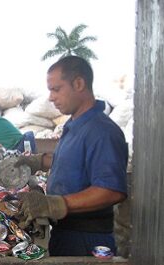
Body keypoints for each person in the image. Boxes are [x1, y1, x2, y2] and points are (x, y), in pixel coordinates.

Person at [16, 56, 128, 256]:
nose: (51, 97)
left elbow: (111, 190)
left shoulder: (101, 131)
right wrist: (37, 161)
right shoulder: (75, 125)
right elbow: (71, 160)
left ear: (78, 84)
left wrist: (56, 204)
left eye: (56, 89)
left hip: (87, 239)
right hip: (65, 233)